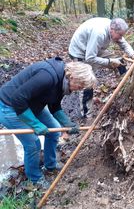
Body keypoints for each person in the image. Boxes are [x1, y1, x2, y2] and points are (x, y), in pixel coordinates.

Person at [0, 57, 97, 188]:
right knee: (33, 143)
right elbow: (17, 99)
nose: (79, 89)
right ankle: (34, 179)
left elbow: (54, 104)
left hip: (32, 104)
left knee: (54, 131)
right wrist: (35, 124)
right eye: (80, 85)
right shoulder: (47, 76)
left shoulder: (63, 81)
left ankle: (50, 165)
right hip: (8, 106)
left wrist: (67, 123)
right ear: (72, 76)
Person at [68, 17, 134, 118]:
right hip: (80, 53)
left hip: (93, 49)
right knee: (87, 83)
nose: (121, 38)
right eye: (120, 35)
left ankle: (124, 93)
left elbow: (123, 43)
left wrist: (133, 55)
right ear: (112, 30)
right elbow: (90, 57)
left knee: (120, 62)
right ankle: (88, 115)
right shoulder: (99, 33)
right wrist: (109, 61)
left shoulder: (113, 27)